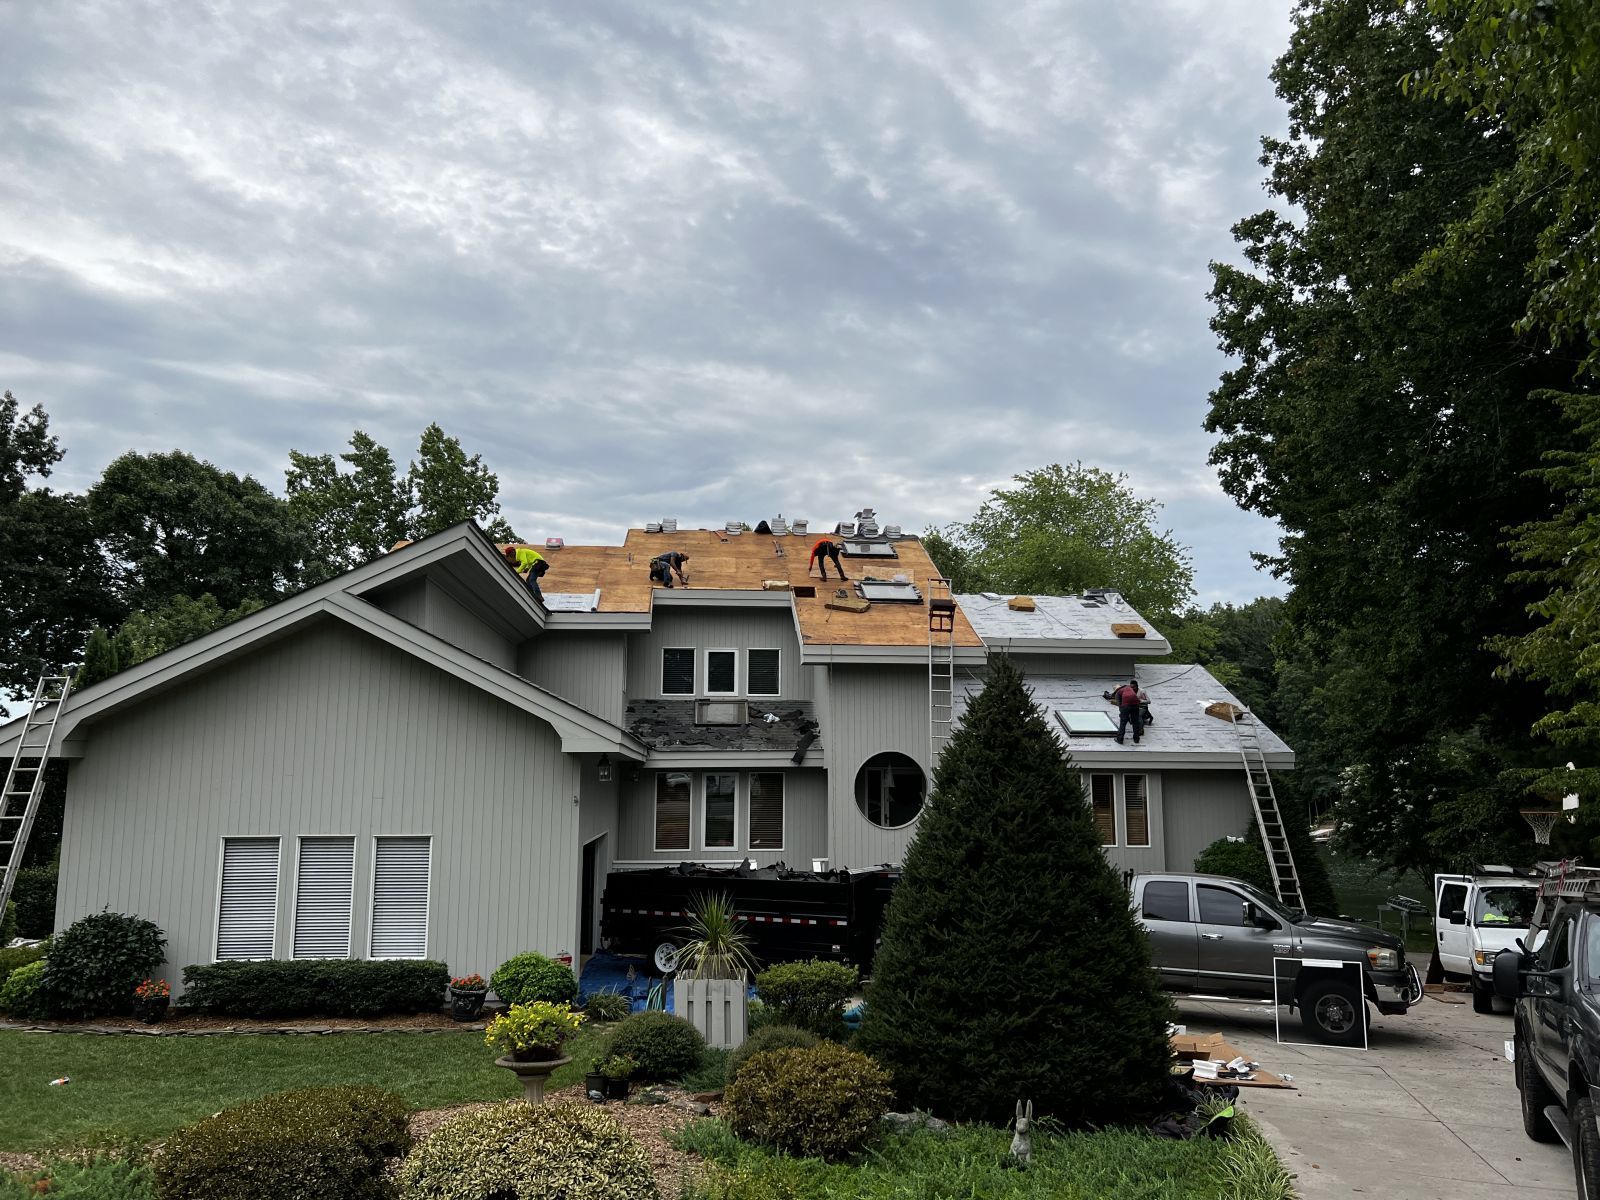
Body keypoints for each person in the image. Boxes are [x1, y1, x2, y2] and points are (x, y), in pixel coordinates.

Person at [1102, 678, 1144, 744]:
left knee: (1123, 723)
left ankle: (1120, 739)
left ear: (1116, 690)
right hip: (1136, 704)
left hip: (1127, 705)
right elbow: (1133, 697)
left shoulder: (1118, 693)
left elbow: (1120, 705)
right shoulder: (1128, 687)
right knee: (1135, 722)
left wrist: (1123, 714)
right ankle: (1136, 739)